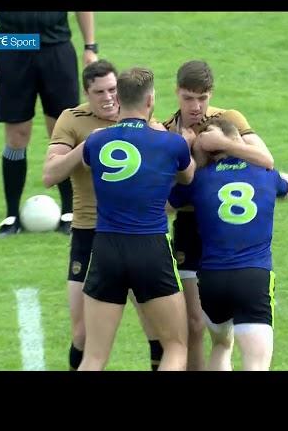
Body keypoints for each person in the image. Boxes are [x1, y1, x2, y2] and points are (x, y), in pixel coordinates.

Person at [42, 59, 166, 371]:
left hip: (137, 234)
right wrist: (84, 149)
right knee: (82, 332)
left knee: (156, 330)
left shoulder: (142, 121)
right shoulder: (72, 119)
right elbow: (49, 174)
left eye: (113, 89)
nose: (109, 97)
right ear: (86, 93)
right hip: (89, 233)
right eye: (99, 92)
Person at [79, 67, 195, 371]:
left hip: (106, 248)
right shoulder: (172, 144)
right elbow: (187, 176)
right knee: (175, 347)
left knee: (94, 356)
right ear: (150, 99)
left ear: (117, 99)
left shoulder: (96, 141)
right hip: (151, 248)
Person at [162, 60, 275, 370]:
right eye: (188, 98)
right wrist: (190, 155)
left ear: (211, 95)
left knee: (224, 336)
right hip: (189, 227)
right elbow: (166, 193)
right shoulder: (166, 130)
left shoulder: (229, 119)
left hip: (229, 229)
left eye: (203, 98)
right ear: (177, 93)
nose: (196, 106)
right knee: (195, 324)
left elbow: (265, 160)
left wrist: (223, 143)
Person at [168, 119, 288, 370]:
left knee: (222, 345)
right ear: (236, 139)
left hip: (212, 280)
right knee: (255, 364)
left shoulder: (199, 180)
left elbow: (167, 203)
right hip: (253, 278)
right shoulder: (265, 174)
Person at [0, 11, 98, 237]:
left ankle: (70, 213)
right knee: (16, 136)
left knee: (62, 132)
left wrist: (90, 46)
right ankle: (11, 216)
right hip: (12, 45)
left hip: (57, 46)